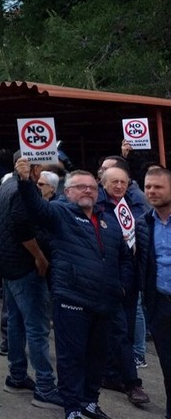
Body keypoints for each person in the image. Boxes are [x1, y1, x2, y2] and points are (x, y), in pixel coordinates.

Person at [14, 159, 132, 419]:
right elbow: (35, 208)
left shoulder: (109, 219)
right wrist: (24, 181)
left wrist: (122, 286)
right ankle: (73, 408)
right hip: (72, 299)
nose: (87, 190)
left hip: (105, 302)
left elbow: (124, 256)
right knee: (72, 357)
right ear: (67, 192)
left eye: (92, 187)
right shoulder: (59, 213)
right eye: (80, 187)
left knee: (98, 356)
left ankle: (89, 401)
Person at [0, 153, 61, 410]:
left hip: (7, 263)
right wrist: (40, 257)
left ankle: (17, 375)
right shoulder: (23, 190)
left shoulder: (6, 185)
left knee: (17, 322)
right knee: (37, 328)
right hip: (24, 266)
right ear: (34, 165)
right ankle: (45, 387)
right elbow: (22, 228)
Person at [94, 157, 150, 406]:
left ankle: (118, 377)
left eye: (122, 182)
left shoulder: (130, 203)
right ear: (103, 182)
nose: (118, 186)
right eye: (114, 181)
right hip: (105, 278)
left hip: (128, 278)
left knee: (121, 331)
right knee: (115, 331)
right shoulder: (95, 204)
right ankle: (128, 381)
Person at [140, 165, 171, 419]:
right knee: (168, 365)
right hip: (160, 304)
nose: (151, 191)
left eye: (158, 187)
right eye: (148, 186)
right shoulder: (143, 223)